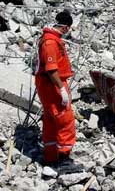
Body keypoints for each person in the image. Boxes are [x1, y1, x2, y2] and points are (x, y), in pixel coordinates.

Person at [35, 10, 83, 173]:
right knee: (64, 119)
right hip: (52, 84)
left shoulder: (51, 39)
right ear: (65, 27)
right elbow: (51, 69)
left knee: (50, 119)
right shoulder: (50, 43)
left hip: (48, 84)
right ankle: (63, 160)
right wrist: (61, 89)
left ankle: (50, 157)